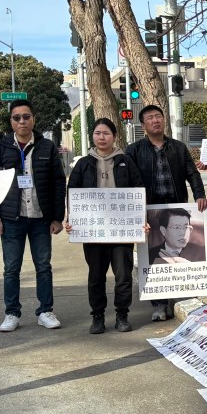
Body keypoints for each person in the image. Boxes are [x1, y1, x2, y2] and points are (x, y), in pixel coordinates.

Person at [0, 99, 66, 332]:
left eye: (26, 116)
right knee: (11, 268)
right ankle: (12, 313)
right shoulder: (0, 148)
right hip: (12, 219)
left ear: (33, 119)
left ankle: (45, 311)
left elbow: (58, 182)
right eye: (17, 117)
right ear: (11, 121)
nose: (22, 121)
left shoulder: (47, 147)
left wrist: (57, 217)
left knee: (43, 266)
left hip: (41, 218)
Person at [125, 104, 207, 322]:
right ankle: (159, 304)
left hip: (176, 207)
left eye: (158, 116)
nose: (155, 120)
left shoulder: (178, 148)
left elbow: (192, 173)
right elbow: (128, 181)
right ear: (143, 125)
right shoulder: (133, 151)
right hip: (149, 211)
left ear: (164, 120)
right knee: (152, 257)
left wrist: (200, 194)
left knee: (178, 254)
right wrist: (135, 210)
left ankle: (182, 297)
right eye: (150, 118)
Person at [64, 118, 145, 334]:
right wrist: (71, 219)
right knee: (96, 276)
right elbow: (73, 193)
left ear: (114, 136)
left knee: (123, 276)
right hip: (94, 231)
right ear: (92, 136)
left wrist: (141, 220)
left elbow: (138, 190)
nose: (102, 137)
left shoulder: (126, 161)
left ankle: (122, 315)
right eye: (98, 133)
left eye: (106, 133)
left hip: (121, 231)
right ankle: (97, 316)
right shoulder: (83, 164)